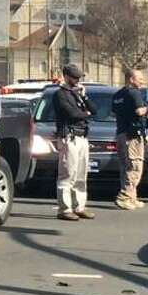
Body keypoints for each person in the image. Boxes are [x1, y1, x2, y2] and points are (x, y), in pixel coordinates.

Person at [53, 63, 95, 222]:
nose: (77, 80)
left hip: (82, 136)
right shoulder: (60, 94)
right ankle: (65, 208)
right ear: (66, 77)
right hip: (69, 136)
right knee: (68, 174)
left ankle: (79, 206)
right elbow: (71, 114)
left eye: (79, 77)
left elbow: (94, 110)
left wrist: (85, 96)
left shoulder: (77, 94)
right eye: (74, 77)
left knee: (81, 174)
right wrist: (86, 113)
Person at [112, 67, 148, 211]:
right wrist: (147, 108)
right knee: (135, 166)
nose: (142, 81)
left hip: (120, 133)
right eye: (140, 79)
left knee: (125, 166)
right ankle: (124, 196)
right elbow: (139, 111)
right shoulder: (134, 93)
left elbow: (114, 113)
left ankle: (132, 197)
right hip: (133, 135)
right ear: (131, 79)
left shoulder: (117, 95)